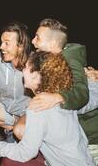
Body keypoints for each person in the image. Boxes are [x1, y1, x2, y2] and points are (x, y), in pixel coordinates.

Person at [0, 51, 95, 165]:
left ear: (35, 76)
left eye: (25, 67)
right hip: (85, 160)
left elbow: (25, 153)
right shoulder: (62, 94)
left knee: (8, 162)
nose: (22, 70)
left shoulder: (38, 107)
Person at [12, 18, 98, 164]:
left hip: (87, 137)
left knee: (21, 129)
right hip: (72, 133)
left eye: (37, 37)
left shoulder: (69, 61)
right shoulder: (51, 61)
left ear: (52, 44)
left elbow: (83, 95)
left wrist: (58, 97)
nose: (33, 41)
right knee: (21, 126)